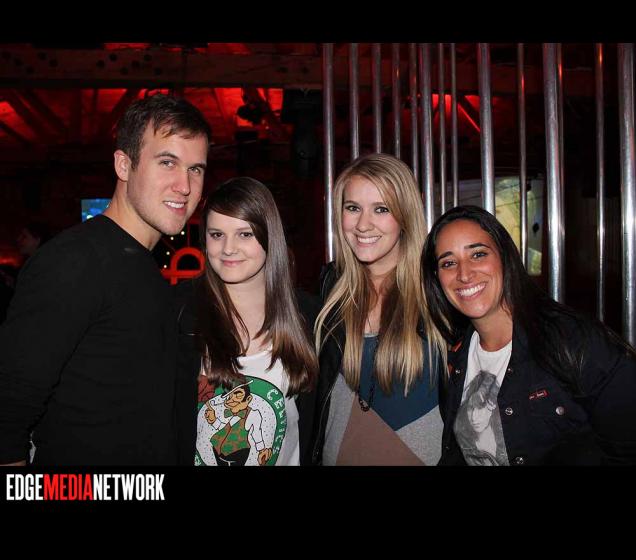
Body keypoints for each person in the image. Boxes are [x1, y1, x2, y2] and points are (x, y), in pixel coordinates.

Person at [0, 93, 211, 465]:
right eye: (167, 162)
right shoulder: (74, 261)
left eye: (196, 169)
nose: (185, 185)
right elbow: (7, 415)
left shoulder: (142, 265)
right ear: (124, 165)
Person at [422, 205, 636, 465]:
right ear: (437, 278)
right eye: (448, 263)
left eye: (478, 254)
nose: (464, 274)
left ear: (505, 257)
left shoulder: (573, 341)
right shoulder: (453, 357)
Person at [312, 153, 446, 465]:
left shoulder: (437, 289)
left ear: (405, 215)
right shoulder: (332, 287)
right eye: (352, 208)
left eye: (381, 209)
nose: (363, 224)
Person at [175, 177, 319, 466]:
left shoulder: (309, 315)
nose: (228, 248)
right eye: (217, 234)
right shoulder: (178, 312)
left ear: (269, 237)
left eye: (244, 234)